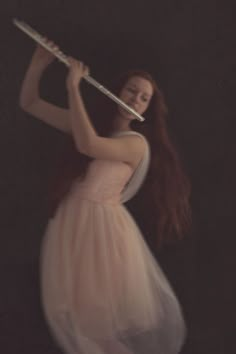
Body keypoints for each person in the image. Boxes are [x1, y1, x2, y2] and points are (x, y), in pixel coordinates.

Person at [19, 42, 191, 354]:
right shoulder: (92, 126)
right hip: (72, 228)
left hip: (102, 237)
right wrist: (37, 66)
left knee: (100, 331)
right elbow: (30, 103)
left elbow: (89, 146)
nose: (135, 100)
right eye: (131, 91)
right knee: (84, 328)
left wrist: (73, 87)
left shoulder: (136, 143)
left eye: (143, 98)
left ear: (147, 108)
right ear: (119, 91)